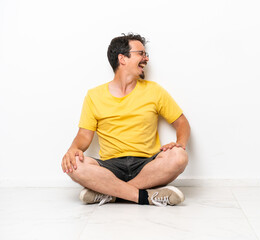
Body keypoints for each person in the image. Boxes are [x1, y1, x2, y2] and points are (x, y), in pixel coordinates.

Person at [61, 33, 190, 206]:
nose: (146, 59)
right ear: (122, 58)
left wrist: (179, 143)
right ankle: (146, 197)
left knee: (179, 156)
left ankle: (109, 193)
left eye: (146, 54)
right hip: (109, 167)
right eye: (141, 53)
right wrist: (73, 149)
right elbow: (84, 135)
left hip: (146, 165)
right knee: (74, 164)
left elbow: (181, 122)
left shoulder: (155, 91)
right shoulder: (94, 96)